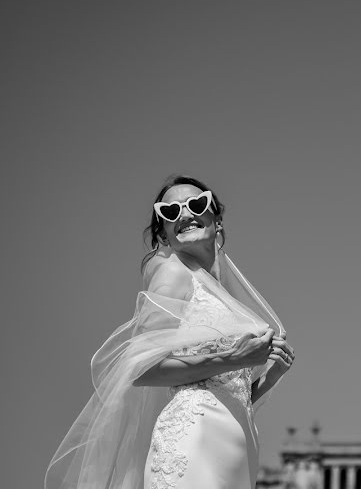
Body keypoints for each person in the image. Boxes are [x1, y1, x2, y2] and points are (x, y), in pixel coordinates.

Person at [46, 175, 294, 489]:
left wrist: (269, 377)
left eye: (196, 204)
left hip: (235, 453)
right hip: (193, 446)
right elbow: (143, 369)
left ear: (216, 220)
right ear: (163, 233)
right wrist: (234, 358)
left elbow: (225, 394)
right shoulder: (174, 273)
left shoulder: (221, 293)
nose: (186, 214)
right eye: (171, 212)